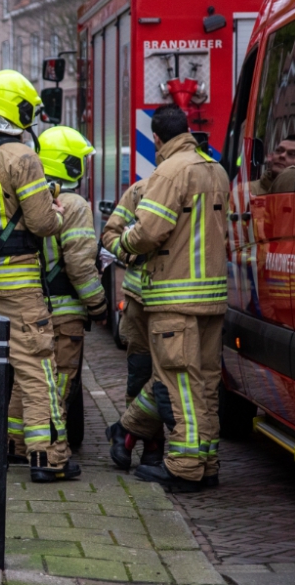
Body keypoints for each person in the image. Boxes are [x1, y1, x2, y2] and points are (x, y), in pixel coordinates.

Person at [0, 69, 80, 483]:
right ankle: (47, 457)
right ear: (17, 107)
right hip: (17, 285)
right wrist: (57, 213)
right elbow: (41, 223)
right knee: (36, 366)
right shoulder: (20, 156)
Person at [106, 103, 230, 493]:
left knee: (179, 385)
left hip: (174, 299)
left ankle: (184, 467)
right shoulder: (216, 169)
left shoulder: (169, 171)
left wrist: (124, 247)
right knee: (207, 383)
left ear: (156, 138)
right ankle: (206, 462)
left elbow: (147, 232)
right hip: (212, 297)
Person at [5, 125, 106, 464]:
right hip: (63, 316)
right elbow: (79, 264)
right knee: (58, 383)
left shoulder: (30, 199)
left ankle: (16, 444)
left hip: (29, 308)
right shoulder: (74, 204)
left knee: (27, 379)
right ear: (70, 164)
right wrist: (98, 304)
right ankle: (49, 449)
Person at [100, 175, 165, 469]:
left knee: (165, 376)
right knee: (139, 375)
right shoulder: (139, 190)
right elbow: (110, 232)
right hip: (139, 300)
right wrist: (130, 253)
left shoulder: (192, 189)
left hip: (175, 301)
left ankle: (127, 434)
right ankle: (150, 446)